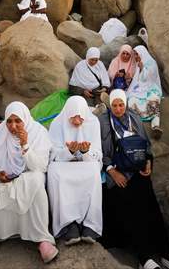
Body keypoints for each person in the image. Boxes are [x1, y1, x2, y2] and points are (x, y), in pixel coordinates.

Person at [98, 89, 169, 269]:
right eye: (114, 105)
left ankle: (166, 252)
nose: (118, 109)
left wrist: (147, 162)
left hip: (137, 171)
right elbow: (100, 153)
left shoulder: (134, 119)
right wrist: (111, 171)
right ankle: (144, 256)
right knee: (132, 211)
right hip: (118, 174)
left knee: (150, 207)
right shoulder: (103, 123)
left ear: (125, 104)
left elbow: (145, 146)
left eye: (121, 104)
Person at [0, 102, 58, 268]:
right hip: (2, 178)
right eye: (9, 121)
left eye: (18, 121)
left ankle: (41, 239)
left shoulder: (38, 132)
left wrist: (25, 145)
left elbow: (40, 167)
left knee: (37, 181)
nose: (13, 126)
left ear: (25, 119)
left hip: (27, 177)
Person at [47, 96, 103, 245]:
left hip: (86, 163)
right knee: (54, 173)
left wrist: (85, 152)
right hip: (63, 165)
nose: (77, 120)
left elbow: (97, 153)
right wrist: (69, 152)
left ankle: (89, 225)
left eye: (80, 116)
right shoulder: (57, 124)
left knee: (93, 172)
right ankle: (68, 225)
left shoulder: (93, 123)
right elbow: (52, 154)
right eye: (74, 116)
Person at [126, 46, 163, 133]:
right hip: (141, 88)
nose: (135, 56)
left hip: (152, 87)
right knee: (131, 99)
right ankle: (133, 125)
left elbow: (150, 78)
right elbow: (138, 80)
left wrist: (142, 68)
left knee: (153, 100)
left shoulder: (151, 63)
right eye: (134, 54)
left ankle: (155, 126)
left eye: (137, 54)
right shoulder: (139, 63)